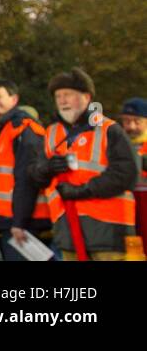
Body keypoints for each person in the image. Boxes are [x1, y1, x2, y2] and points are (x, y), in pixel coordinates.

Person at [28, 68, 138, 261]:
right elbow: (34, 174)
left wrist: (83, 191)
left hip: (108, 232)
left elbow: (126, 174)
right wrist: (47, 168)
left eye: (67, 95)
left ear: (86, 97)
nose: (62, 100)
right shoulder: (51, 133)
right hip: (67, 230)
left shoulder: (109, 130)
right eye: (58, 96)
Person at [0, 80, 49, 261]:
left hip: (22, 222)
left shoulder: (22, 128)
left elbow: (27, 178)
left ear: (14, 99)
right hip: (6, 219)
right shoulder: (0, 128)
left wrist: (20, 222)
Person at [120, 98, 147, 244]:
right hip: (125, 209)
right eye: (126, 121)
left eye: (137, 121)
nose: (131, 126)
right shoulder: (116, 146)